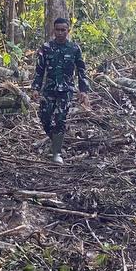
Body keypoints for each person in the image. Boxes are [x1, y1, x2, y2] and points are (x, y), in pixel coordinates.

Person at [31, 17, 91, 163]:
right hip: (49, 90)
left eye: (63, 30)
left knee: (60, 120)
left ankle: (56, 153)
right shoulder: (46, 48)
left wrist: (83, 90)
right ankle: (56, 142)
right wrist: (35, 88)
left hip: (66, 91)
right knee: (44, 118)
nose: (60, 33)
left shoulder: (74, 48)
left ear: (68, 31)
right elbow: (39, 70)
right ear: (53, 30)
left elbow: (81, 70)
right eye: (57, 30)